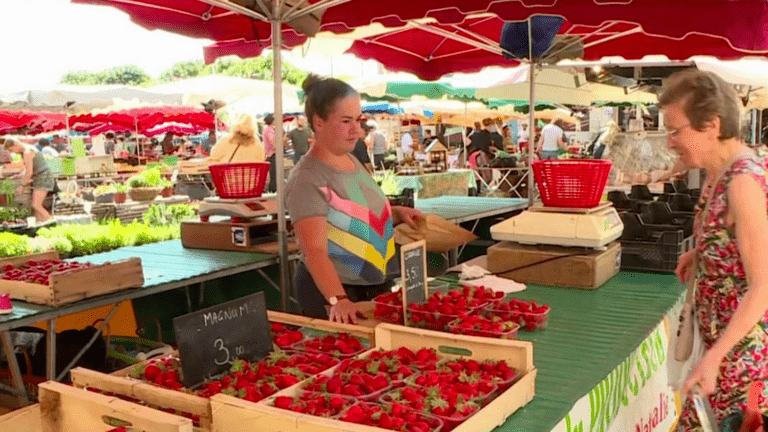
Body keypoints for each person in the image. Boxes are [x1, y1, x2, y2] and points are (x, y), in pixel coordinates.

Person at [662, 70, 768, 430]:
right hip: (722, 352)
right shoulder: (718, 173)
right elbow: (736, 235)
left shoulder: (741, 182)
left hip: (740, 363)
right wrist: (703, 252)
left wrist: (714, 359)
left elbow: (762, 287)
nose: (670, 142)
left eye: (676, 131)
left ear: (711, 124)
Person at [286, 74, 424, 323]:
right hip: (336, 293)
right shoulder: (307, 179)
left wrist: (394, 213)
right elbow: (314, 250)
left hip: (372, 287)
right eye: (346, 121)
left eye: (358, 120)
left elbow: (350, 213)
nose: (356, 130)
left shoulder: (351, 160)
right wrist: (338, 300)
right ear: (319, 122)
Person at [3, 138, 53, 223]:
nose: (13, 153)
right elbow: (27, 169)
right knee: (36, 207)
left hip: (43, 178)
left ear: (16, 144)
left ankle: (52, 222)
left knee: (36, 205)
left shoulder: (27, 152)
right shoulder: (26, 149)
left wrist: (22, 185)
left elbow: (29, 173)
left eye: (12, 150)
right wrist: (19, 175)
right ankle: (41, 226)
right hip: (39, 178)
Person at [263, 114, 277, 193]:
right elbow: (273, 142)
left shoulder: (269, 129)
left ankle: (273, 190)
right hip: (272, 154)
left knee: (273, 175)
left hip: (270, 154)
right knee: (274, 175)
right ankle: (273, 191)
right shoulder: (269, 130)